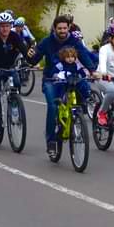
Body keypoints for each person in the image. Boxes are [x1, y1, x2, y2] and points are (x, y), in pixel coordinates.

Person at [28, 16, 97, 154]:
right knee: (53, 107)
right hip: (51, 79)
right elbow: (34, 58)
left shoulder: (74, 41)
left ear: (69, 28)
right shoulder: (47, 42)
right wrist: (30, 54)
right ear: (54, 28)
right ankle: (51, 141)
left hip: (71, 78)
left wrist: (92, 70)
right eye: (59, 28)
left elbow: (83, 54)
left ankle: (82, 111)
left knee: (82, 89)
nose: (62, 31)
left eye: (65, 28)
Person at [0, 12, 33, 141]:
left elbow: (24, 50)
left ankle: (14, 107)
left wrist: (32, 62)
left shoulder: (15, 37)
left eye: (7, 25)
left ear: (11, 26)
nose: (5, 28)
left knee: (16, 85)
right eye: (2, 26)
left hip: (9, 68)